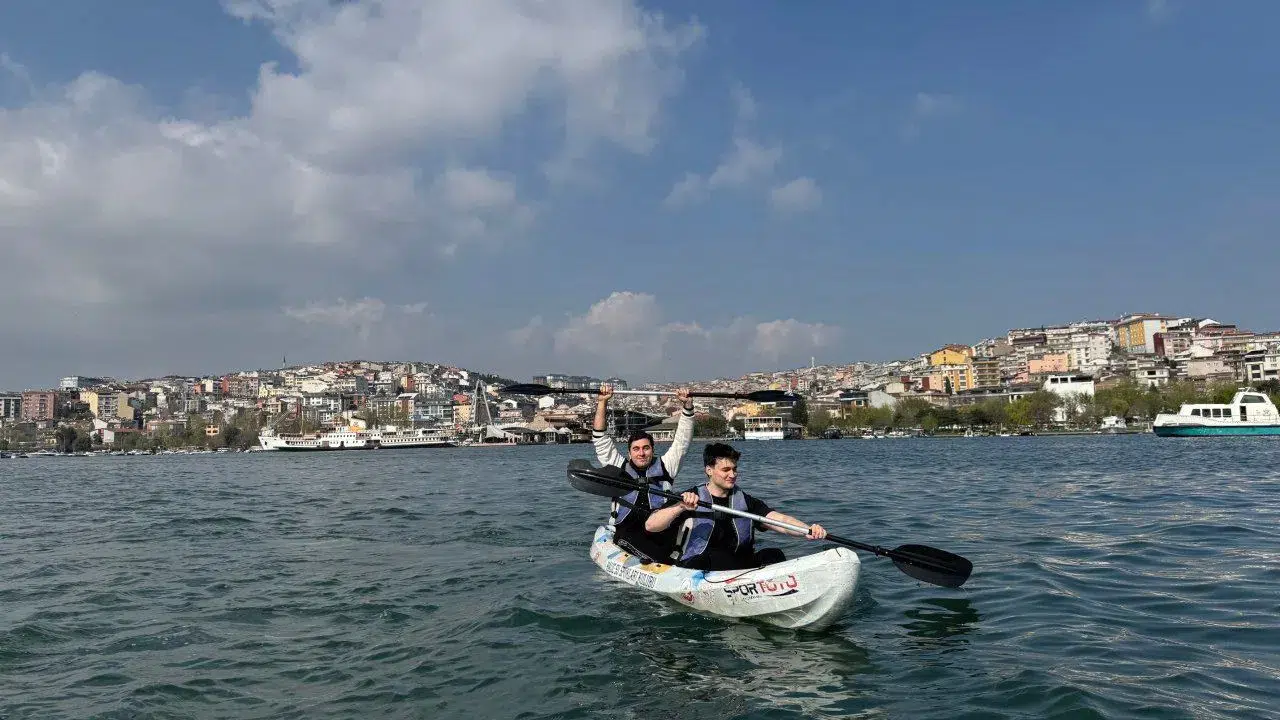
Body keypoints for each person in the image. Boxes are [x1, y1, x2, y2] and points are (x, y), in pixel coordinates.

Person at [645, 442, 827, 571]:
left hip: (739, 566)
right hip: (699, 567)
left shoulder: (745, 501)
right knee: (719, 558)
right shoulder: (688, 497)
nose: (732, 474)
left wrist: (807, 530)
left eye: (734, 469)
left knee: (774, 555)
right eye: (726, 470)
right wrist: (680, 507)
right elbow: (651, 525)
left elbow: (779, 520)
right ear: (709, 470)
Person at [592, 383, 696, 562]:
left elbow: (682, 441)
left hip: (659, 528)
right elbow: (600, 438)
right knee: (648, 551)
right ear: (629, 453)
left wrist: (687, 406)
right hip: (627, 532)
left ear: (653, 450)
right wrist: (602, 403)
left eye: (646, 448)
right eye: (636, 449)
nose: (641, 453)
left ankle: (681, 555)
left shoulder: (666, 466)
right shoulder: (619, 466)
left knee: (689, 512)